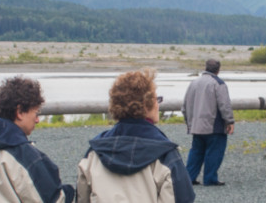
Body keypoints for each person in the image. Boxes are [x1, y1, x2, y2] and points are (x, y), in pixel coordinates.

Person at [77, 69, 194, 203]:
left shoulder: (94, 152)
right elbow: (182, 198)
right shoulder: (165, 154)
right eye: (157, 99)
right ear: (146, 104)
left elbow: (82, 198)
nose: (158, 104)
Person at [183, 58, 234, 186]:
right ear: (218, 69)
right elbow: (224, 105)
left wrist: (189, 122)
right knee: (215, 152)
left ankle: (189, 177)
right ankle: (210, 178)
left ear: (205, 68)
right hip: (213, 126)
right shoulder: (218, 83)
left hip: (196, 125)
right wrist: (229, 121)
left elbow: (184, 106)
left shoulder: (194, 82)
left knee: (196, 152)